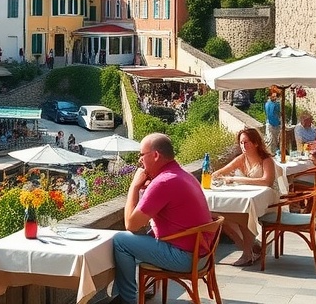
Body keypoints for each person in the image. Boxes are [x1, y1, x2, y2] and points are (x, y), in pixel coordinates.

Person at [110, 133, 212, 304]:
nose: (140, 161)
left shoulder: (163, 183)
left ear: (155, 155)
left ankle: (127, 299)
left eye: (141, 155)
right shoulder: (182, 175)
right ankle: (141, 289)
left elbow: (131, 224)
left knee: (121, 241)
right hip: (201, 255)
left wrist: (134, 187)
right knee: (144, 235)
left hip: (185, 258)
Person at [211, 128, 277, 266]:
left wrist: (237, 180)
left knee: (243, 215)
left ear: (256, 143)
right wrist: (213, 175)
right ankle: (250, 248)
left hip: (269, 202)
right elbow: (220, 173)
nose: (243, 146)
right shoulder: (242, 159)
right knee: (217, 215)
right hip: (249, 199)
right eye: (241, 143)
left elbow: (267, 181)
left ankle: (248, 253)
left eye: (246, 142)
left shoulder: (266, 160)